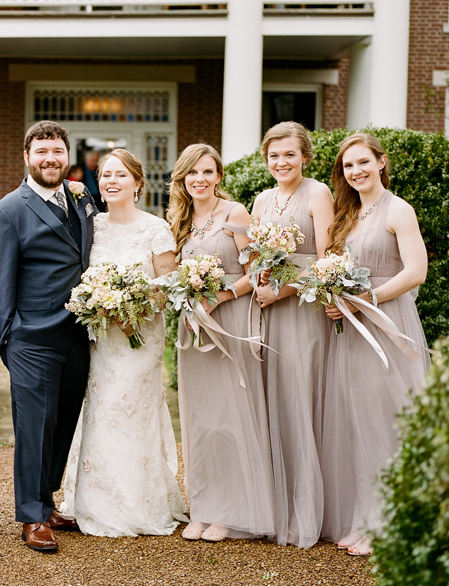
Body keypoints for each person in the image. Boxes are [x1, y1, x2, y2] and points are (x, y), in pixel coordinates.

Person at [59, 149, 187, 537]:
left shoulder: (155, 229)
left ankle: (137, 504)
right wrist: (99, 304)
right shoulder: (91, 225)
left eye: (119, 175)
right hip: (99, 339)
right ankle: (90, 501)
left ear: (137, 183)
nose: (110, 181)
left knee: (128, 408)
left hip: (140, 337)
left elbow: (167, 289)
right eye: (105, 175)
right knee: (98, 409)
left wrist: (130, 306)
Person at [0, 120, 97, 552]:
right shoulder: (8, 211)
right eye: (42, 152)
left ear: (66, 157)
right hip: (32, 339)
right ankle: (32, 516)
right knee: (34, 427)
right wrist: (11, 338)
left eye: (57, 151)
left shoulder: (82, 201)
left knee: (63, 422)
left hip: (78, 336)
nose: (51, 159)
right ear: (27, 158)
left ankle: (47, 498)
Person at [320, 133, 430, 556]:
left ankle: (389, 520)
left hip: (386, 324)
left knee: (386, 420)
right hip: (351, 330)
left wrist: (368, 300)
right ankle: (363, 516)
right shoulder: (349, 213)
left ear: (381, 162)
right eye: (349, 166)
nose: (357, 171)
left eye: (364, 162)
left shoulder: (398, 209)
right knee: (356, 421)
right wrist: (335, 299)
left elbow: (416, 271)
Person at [167, 144, 275, 542]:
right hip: (193, 326)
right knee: (201, 420)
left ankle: (230, 511)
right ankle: (203, 506)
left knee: (230, 416)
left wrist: (221, 296)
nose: (201, 179)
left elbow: (258, 269)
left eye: (208, 172)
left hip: (229, 320)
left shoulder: (234, 214)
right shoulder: (178, 218)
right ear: (183, 178)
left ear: (218, 176)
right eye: (193, 173)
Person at [251, 121, 334, 548]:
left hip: (302, 311)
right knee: (274, 399)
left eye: (289, 154)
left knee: (302, 395)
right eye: (274, 155)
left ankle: (308, 511)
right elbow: (253, 256)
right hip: (268, 313)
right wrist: (259, 279)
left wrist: (279, 291)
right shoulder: (262, 199)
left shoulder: (318, 193)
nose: (281, 162)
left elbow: (325, 261)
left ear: (304, 155)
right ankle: (275, 506)